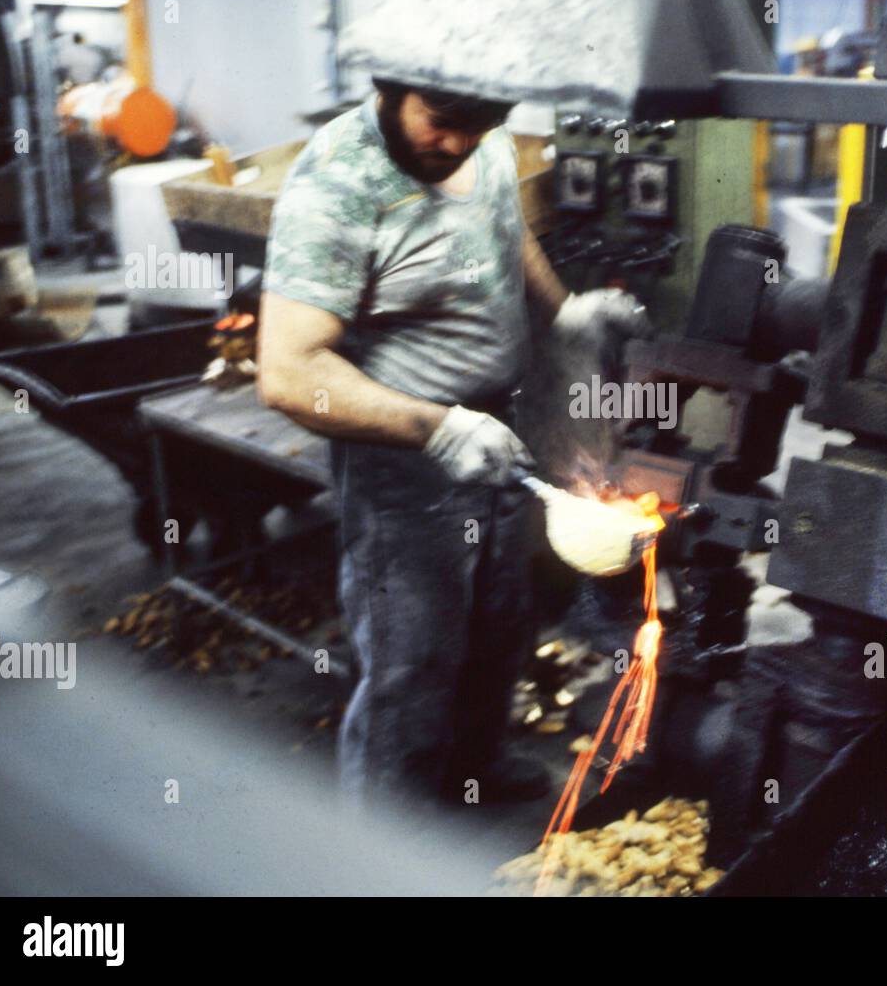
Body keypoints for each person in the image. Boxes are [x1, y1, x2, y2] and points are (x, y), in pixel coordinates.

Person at [257, 78, 648, 808]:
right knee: (414, 660)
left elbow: (504, 223)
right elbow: (286, 372)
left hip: (503, 432)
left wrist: (563, 316)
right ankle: (385, 844)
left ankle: (473, 767)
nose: (462, 141)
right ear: (392, 84)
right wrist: (437, 428)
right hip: (403, 459)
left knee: (500, 622)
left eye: (484, 122)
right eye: (442, 123)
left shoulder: (476, 129)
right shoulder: (340, 178)